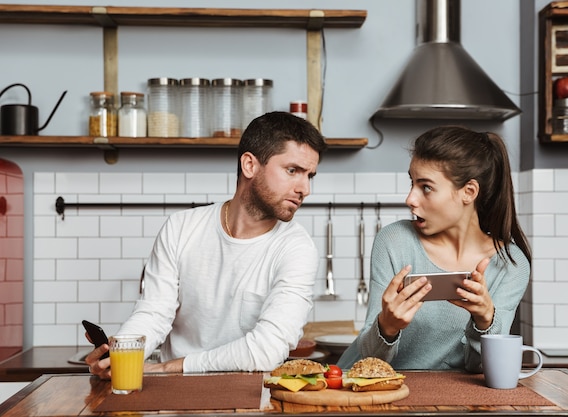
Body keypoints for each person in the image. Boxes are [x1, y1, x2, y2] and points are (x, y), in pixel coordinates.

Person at [85, 111, 327, 377]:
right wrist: (121, 354)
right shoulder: (181, 228)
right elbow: (154, 312)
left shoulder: (297, 249)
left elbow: (267, 350)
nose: (305, 188)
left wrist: (172, 366)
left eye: (309, 176)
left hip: (251, 401)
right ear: (249, 165)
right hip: (173, 398)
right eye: (292, 171)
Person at [337, 126, 531, 373]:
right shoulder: (395, 240)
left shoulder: (511, 264)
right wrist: (386, 326)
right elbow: (369, 357)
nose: (410, 199)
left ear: (468, 192)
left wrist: (485, 321)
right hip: (364, 388)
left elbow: (483, 369)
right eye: (412, 183)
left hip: (441, 401)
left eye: (426, 187)